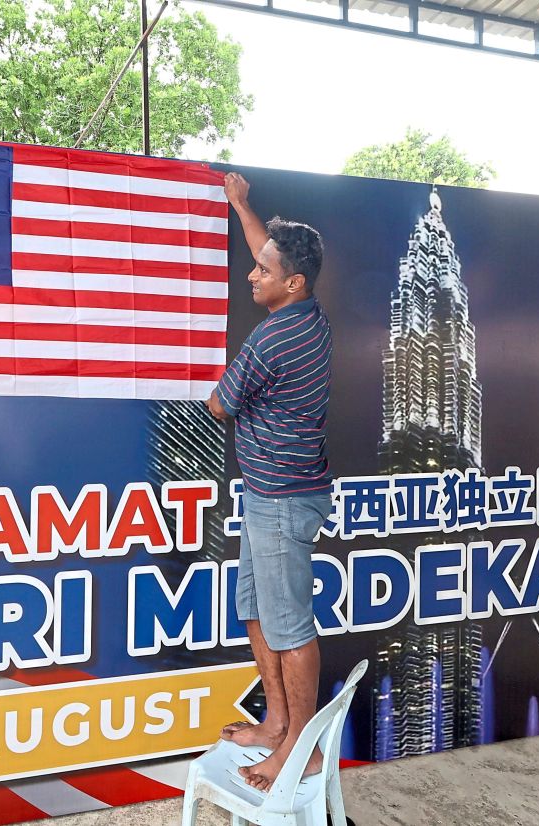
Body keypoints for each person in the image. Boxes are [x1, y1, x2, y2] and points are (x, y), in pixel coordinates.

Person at [206, 172, 333, 790]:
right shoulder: (307, 312)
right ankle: (278, 723)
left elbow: (219, 405)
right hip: (269, 496)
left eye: (262, 271)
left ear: (292, 284)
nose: (250, 274)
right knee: (257, 611)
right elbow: (272, 256)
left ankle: (302, 750)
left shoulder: (273, 339)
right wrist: (242, 206)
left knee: (290, 627)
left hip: (282, 502)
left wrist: (224, 382)